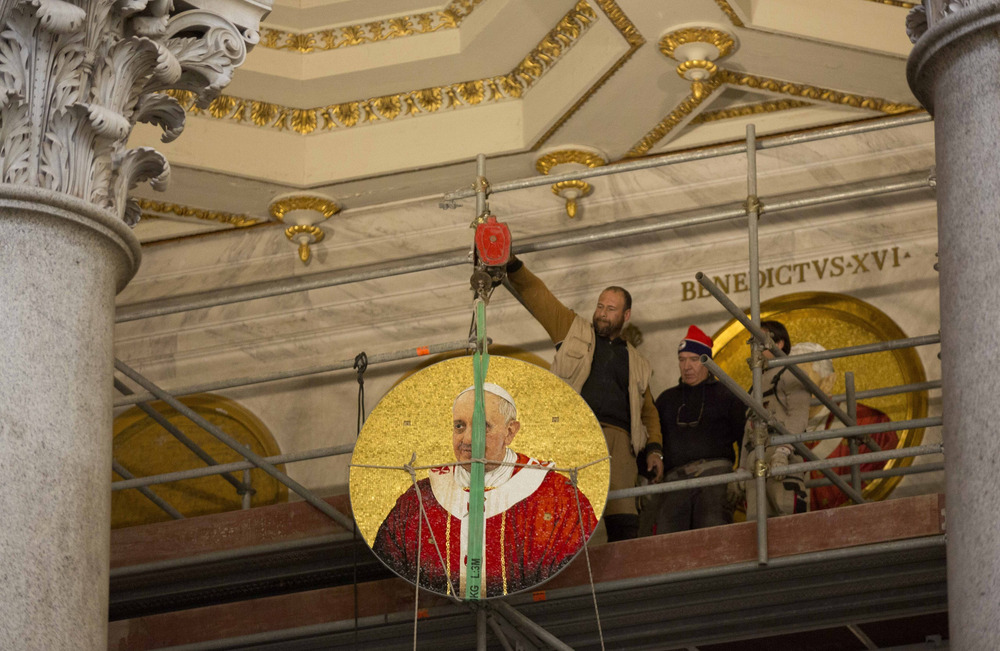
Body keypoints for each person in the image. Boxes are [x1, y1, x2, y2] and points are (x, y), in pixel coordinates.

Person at [372, 383, 597, 598]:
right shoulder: (420, 499)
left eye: (482, 426)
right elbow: (386, 578)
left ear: (510, 432)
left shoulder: (557, 497)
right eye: (459, 426)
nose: (468, 439)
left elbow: (577, 576)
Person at [505, 257, 663, 541]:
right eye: (600, 306)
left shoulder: (638, 361)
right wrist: (512, 263)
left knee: (624, 521)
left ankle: (623, 583)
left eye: (611, 309)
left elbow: (648, 412)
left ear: (626, 316)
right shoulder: (571, 329)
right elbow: (538, 296)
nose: (602, 314)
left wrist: (655, 450)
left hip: (620, 443)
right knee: (568, 517)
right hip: (577, 434)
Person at [642, 325, 747, 534]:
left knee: (712, 535)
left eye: (694, 359)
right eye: (682, 359)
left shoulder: (727, 395)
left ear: (708, 362)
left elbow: (746, 437)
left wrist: (741, 474)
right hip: (674, 481)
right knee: (668, 540)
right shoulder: (666, 400)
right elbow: (652, 437)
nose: (687, 366)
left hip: (715, 475)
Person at [793, 342, 900, 510]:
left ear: (828, 382)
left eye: (800, 378)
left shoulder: (871, 423)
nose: (790, 389)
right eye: (787, 380)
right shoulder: (773, 428)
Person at [739, 320, 810, 517]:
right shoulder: (755, 385)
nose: (756, 347)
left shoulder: (790, 372)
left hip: (782, 453)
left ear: (779, 343)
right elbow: (748, 429)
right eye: (753, 342)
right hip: (757, 455)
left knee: (787, 512)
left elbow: (799, 416)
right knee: (756, 523)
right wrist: (742, 467)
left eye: (761, 340)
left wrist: (784, 449)